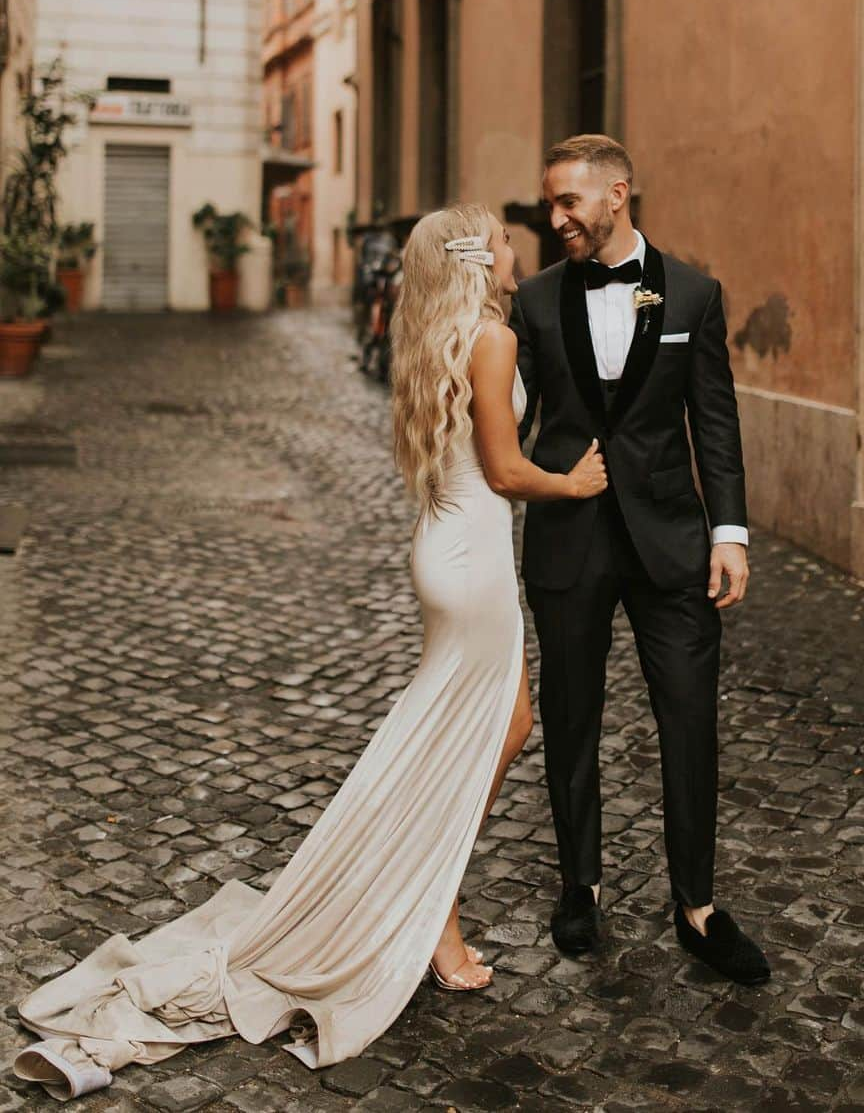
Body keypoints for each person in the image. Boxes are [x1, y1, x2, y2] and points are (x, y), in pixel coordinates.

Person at [12, 203, 607, 1101]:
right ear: (482, 256)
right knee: (484, 728)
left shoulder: (443, 334)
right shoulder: (488, 340)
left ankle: (432, 896)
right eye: (503, 233)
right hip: (474, 554)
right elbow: (504, 471)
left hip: (445, 549)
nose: (520, 242)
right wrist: (574, 481)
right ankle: (433, 910)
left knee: (493, 724)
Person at [509, 133, 770, 986]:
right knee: (572, 716)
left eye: (569, 202)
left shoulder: (693, 292)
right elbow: (506, 417)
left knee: (690, 720)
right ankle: (579, 885)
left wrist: (728, 533)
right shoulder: (536, 300)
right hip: (570, 541)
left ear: (618, 194)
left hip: (672, 543)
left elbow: (715, 423)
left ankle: (697, 904)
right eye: (550, 204)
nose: (556, 220)